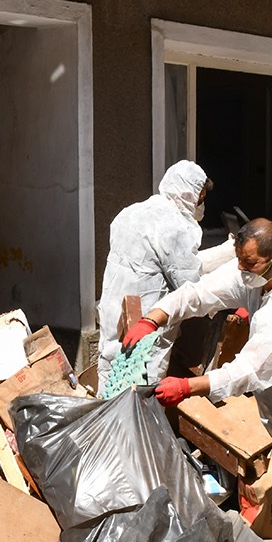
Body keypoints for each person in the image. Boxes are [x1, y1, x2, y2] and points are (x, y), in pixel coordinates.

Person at [121, 218, 272, 542]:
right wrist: (153, 318)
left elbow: (250, 370)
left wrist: (189, 387)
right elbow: (201, 294)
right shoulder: (254, 274)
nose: (242, 270)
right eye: (240, 261)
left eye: (250, 263)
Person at [94, 160, 210, 389]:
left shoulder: (131, 212)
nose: (201, 205)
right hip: (145, 319)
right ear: (189, 193)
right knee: (140, 386)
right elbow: (189, 283)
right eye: (201, 198)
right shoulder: (175, 226)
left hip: (114, 311)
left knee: (110, 378)